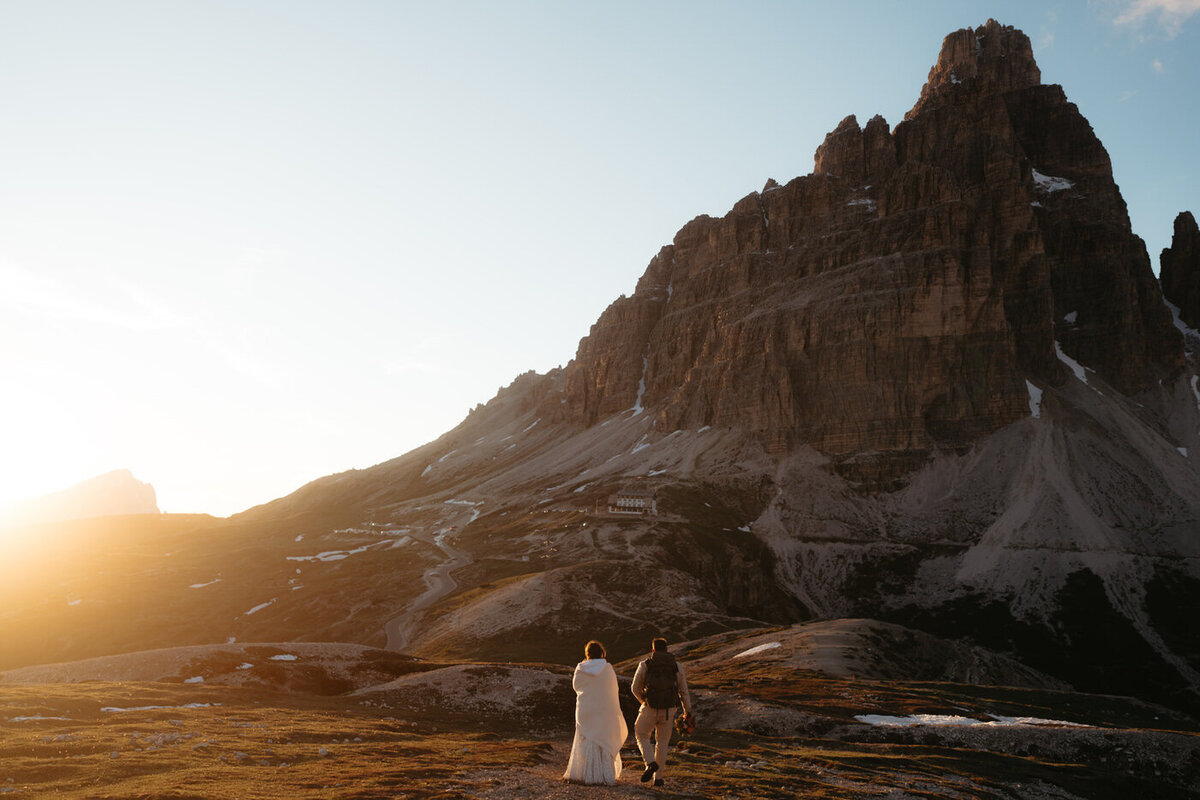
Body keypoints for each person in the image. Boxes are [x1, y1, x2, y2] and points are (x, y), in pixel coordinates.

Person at [563, 640, 628, 785]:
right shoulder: (608, 668)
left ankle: (583, 774)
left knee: (587, 737)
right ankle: (604, 775)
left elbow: (576, 686)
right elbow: (612, 689)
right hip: (604, 709)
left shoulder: (580, 668)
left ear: (587, 654)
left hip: (586, 708)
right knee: (603, 739)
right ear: (602, 653)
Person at [630, 637, 693, 788]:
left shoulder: (645, 664)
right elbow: (683, 691)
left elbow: (634, 688)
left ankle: (650, 763)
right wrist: (688, 711)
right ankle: (658, 779)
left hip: (649, 708)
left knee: (641, 734)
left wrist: (644, 701)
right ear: (667, 649)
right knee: (662, 743)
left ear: (653, 650)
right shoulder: (677, 666)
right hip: (669, 710)